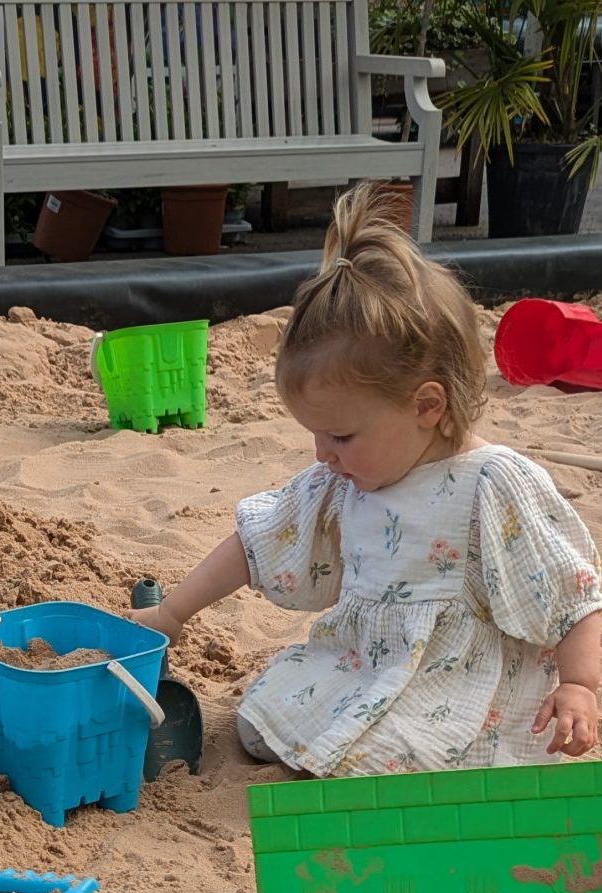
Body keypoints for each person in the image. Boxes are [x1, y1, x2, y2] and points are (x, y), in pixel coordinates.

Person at [135, 183, 602, 776]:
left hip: (459, 690)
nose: (322, 452)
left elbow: (573, 596)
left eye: (340, 435)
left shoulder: (493, 484)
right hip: (365, 663)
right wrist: (172, 614)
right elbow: (256, 545)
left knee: (379, 759)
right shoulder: (346, 478)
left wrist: (580, 685)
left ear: (426, 405)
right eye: (316, 433)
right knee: (260, 724)